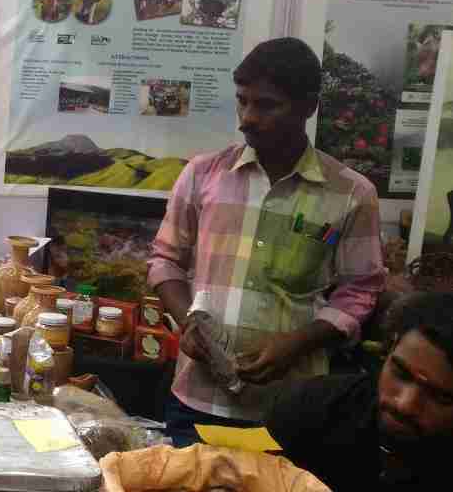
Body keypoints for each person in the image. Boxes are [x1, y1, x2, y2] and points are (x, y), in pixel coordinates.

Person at [147, 37, 385, 446]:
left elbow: (360, 289)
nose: (246, 118)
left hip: (293, 408)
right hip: (199, 401)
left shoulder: (351, 193)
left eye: (267, 105)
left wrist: (296, 343)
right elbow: (165, 260)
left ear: (309, 107)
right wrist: (188, 321)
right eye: (242, 101)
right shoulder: (202, 175)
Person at [266, 291, 453, 491]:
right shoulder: (312, 408)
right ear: (389, 349)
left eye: (439, 395)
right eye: (401, 374)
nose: (405, 404)